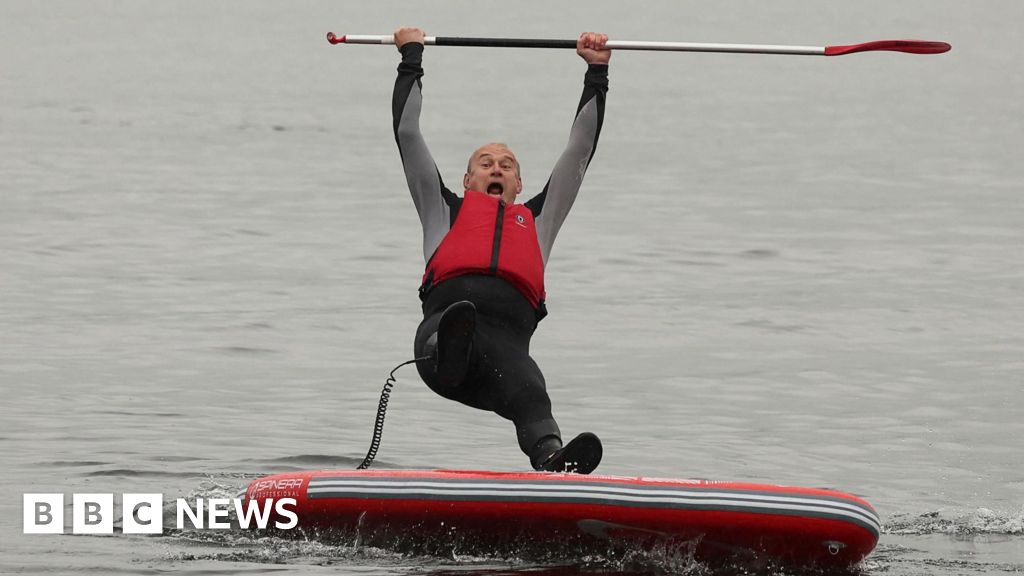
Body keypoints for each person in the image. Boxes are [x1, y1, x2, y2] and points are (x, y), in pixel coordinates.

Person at [391, 27, 610, 473]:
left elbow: (579, 149)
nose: (497, 168)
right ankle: (453, 352)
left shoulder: (539, 221)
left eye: (506, 165)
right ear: (468, 180)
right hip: (439, 347)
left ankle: (551, 460)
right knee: (459, 324)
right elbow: (408, 135)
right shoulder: (442, 209)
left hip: (503, 360)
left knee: (532, 389)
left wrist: (597, 71)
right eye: (485, 164)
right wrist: (411, 56)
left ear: (518, 184)